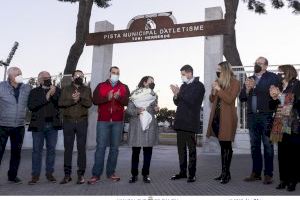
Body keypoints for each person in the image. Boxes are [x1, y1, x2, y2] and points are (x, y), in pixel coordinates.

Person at [239, 57, 281, 184]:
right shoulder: (249, 79)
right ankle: (256, 173)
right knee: (254, 146)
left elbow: (276, 94)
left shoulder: (273, 77)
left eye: (260, 63)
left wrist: (256, 87)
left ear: (265, 66)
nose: (257, 64)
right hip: (252, 117)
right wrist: (247, 89)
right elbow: (242, 98)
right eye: (256, 62)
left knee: (268, 146)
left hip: (267, 116)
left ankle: (268, 174)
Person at [88, 66, 130, 184]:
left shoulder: (124, 87)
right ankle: (96, 174)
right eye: (113, 72)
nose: (115, 74)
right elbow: (95, 100)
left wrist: (119, 97)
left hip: (117, 122)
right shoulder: (101, 86)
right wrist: (107, 98)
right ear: (109, 74)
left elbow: (127, 102)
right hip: (103, 121)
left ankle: (111, 173)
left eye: (117, 73)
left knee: (114, 149)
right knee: (100, 148)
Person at [170, 64, 205, 183]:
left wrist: (179, 93)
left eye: (183, 74)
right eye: (181, 75)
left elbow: (192, 100)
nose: (182, 77)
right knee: (181, 149)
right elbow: (177, 102)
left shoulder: (199, 86)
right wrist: (175, 95)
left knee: (191, 149)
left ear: (190, 73)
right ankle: (182, 172)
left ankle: (192, 174)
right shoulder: (183, 86)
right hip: (180, 121)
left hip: (190, 123)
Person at [206, 61, 240, 184]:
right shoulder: (218, 82)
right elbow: (212, 99)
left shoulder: (235, 82)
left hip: (227, 119)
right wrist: (214, 91)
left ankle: (226, 174)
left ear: (225, 70)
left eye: (219, 69)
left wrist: (219, 89)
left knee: (226, 146)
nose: (217, 71)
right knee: (222, 146)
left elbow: (230, 99)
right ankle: (224, 173)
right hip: (216, 118)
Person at [269, 65, 300, 191]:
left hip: (291, 122)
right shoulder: (280, 87)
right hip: (279, 121)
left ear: (288, 73)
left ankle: (293, 180)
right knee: (282, 153)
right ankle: (283, 179)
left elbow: (297, 102)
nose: (278, 74)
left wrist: (281, 96)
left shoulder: (297, 85)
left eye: (280, 72)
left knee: (292, 153)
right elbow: (272, 106)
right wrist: (274, 97)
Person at [58, 70, 92, 184]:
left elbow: (89, 104)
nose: (79, 77)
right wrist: (73, 100)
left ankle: (81, 175)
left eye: (81, 76)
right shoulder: (66, 89)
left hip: (82, 121)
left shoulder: (87, 89)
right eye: (77, 75)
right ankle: (67, 175)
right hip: (68, 122)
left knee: (81, 149)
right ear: (72, 78)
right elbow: (61, 103)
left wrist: (80, 99)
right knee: (68, 149)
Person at [27, 71, 61, 185]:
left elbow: (60, 104)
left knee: (51, 150)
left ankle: (49, 174)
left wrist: (53, 93)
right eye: (45, 77)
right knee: (37, 151)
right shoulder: (34, 92)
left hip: (52, 126)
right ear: (40, 79)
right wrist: (46, 96)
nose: (48, 79)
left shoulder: (56, 90)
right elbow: (31, 106)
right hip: (38, 126)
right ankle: (35, 175)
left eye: (49, 77)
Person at [0, 67, 31, 184]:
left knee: (16, 153)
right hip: (2, 125)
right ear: (10, 76)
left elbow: (32, 102)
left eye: (20, 74)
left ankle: (12, 176)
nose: (19, 76)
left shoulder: (27, 88)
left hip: (19, 126)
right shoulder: (1, 86)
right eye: (16, 74)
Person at [126, 76, 159, 184]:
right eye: (151, 82)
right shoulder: (134, 94)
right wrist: (137, 110)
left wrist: (156, 109)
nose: (152, 84)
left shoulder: (154, 94)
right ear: (144, 82)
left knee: (148, 152)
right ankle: (134, 175)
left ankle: (146, 174)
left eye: (153, 82)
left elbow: (155, 109)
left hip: (149, 125)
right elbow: (129, 110)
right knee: (135, 152)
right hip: (137, 125)